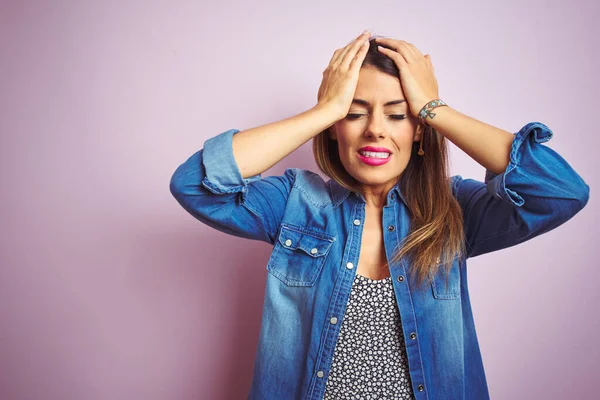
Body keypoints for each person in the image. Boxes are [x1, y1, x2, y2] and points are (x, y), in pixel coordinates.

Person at [169, 30, 590, 400]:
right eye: (354, 113)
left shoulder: (453, 210)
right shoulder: (295, 204)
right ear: (336, 129)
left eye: (397, 114)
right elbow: (194, 184)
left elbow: (559, 192)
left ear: (418, 129)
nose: (374, 129)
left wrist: (433, 107)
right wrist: (323, 111)